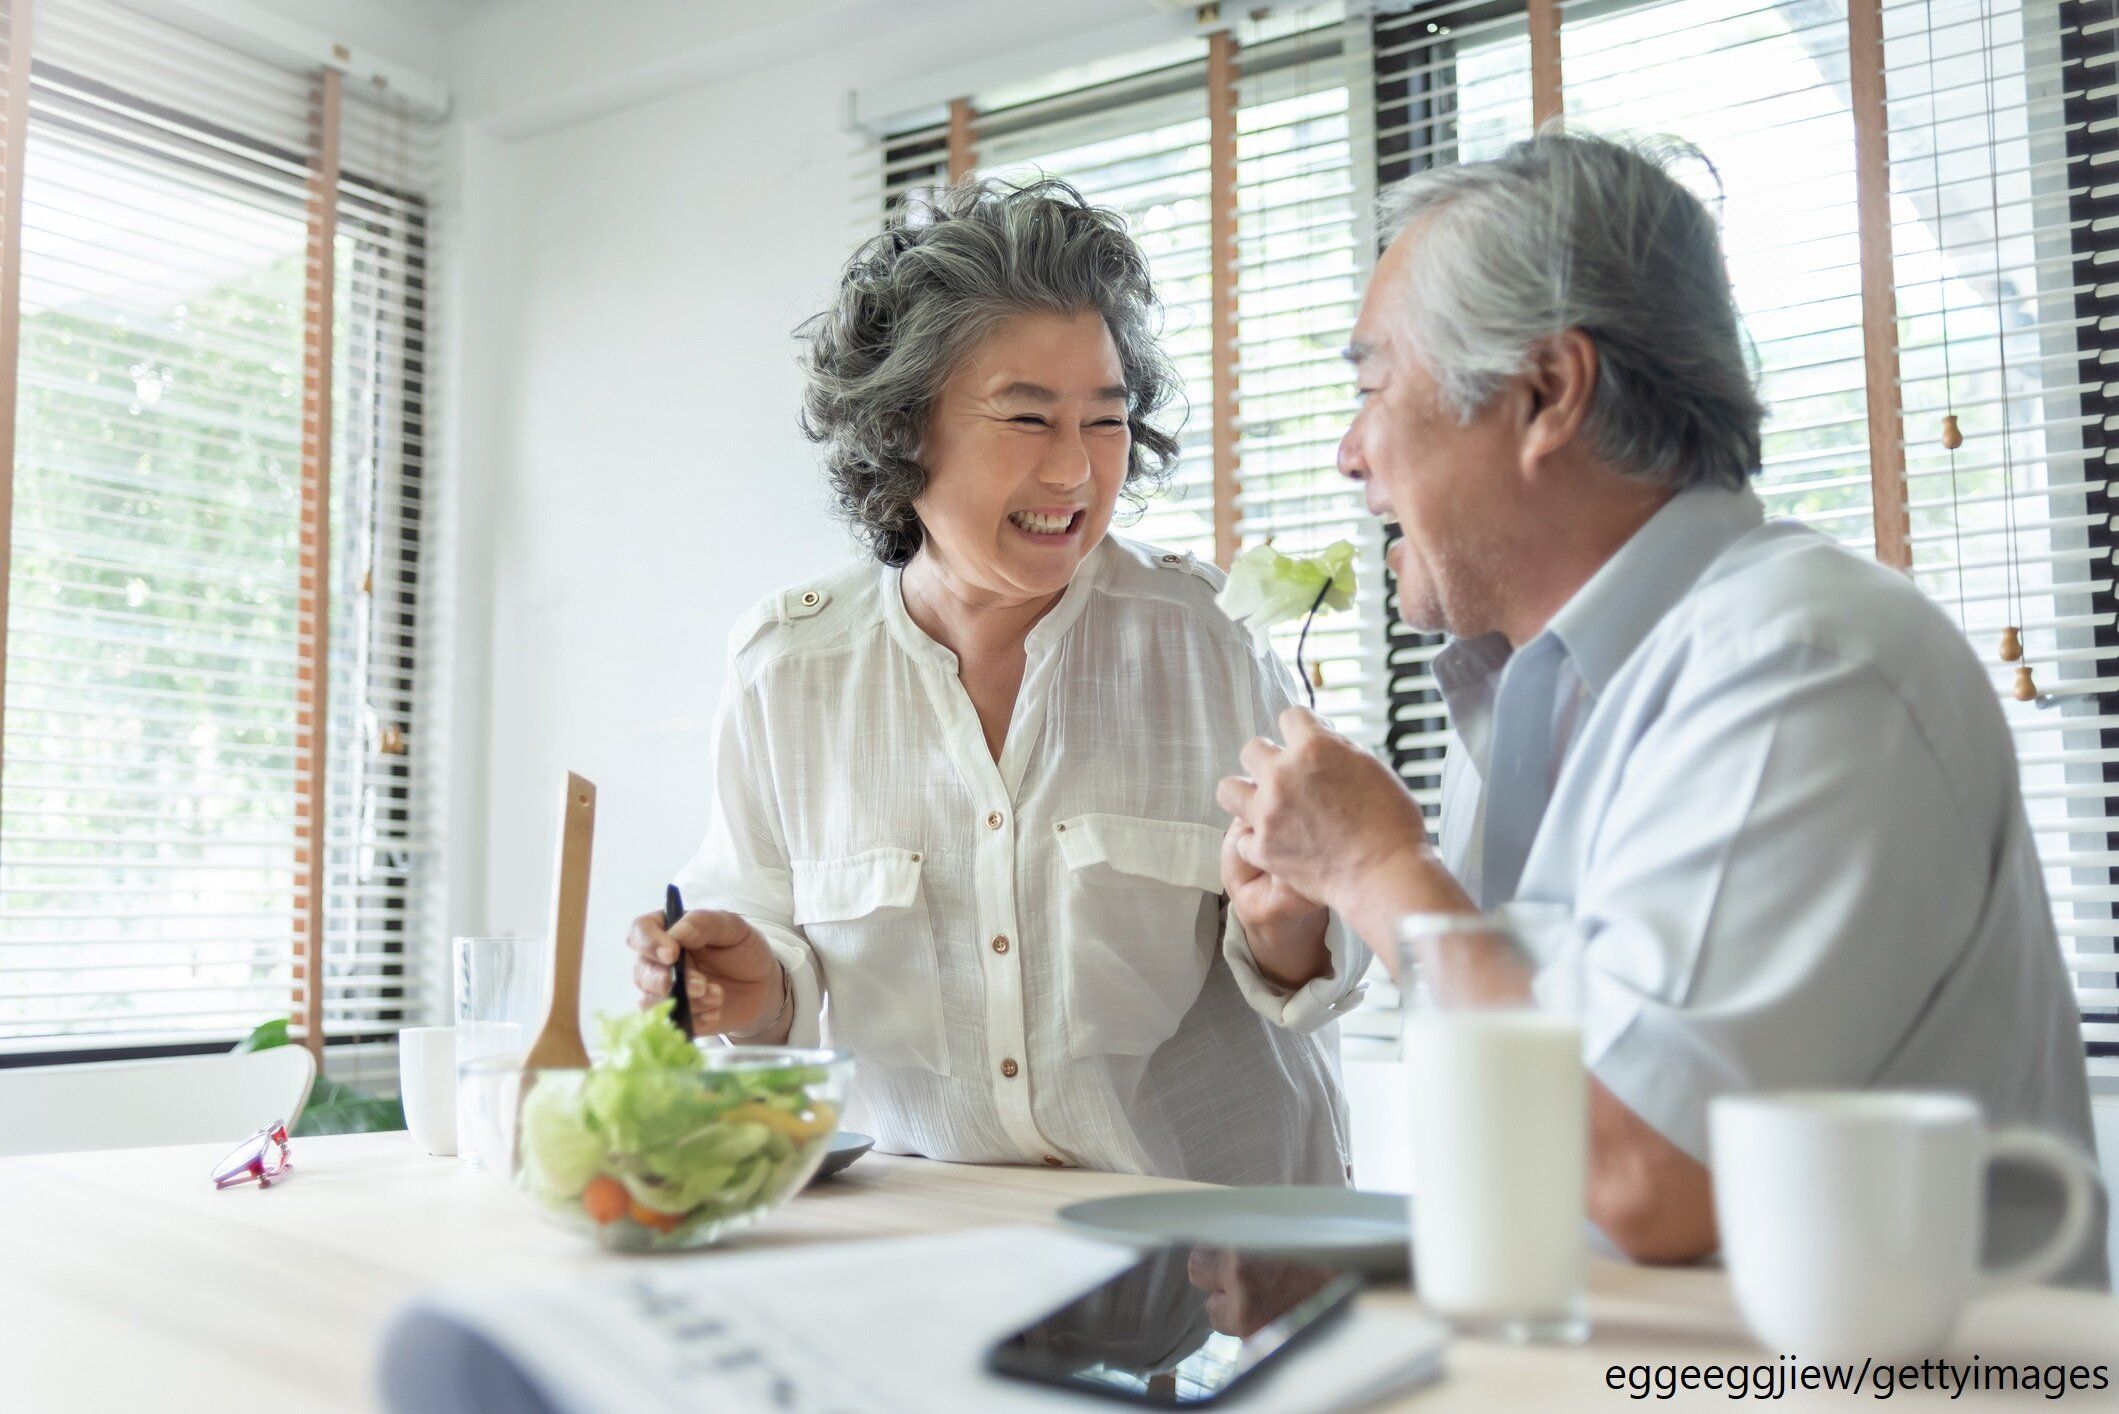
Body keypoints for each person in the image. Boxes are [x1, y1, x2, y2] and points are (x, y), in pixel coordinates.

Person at [1216, 131, 2106, 1284]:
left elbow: (1644, 1175)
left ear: (1545, 393)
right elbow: (1543, 1139)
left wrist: (1381, 871)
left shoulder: (1805, 667)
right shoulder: (1527, 691)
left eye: (1372, 388)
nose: (1348, 456)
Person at [628, 179, 1367, 1186]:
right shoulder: (786, 673)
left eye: (1104, 423)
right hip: (941, 1259)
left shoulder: (1212, 643)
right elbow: (769, 971)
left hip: (1214, 1272)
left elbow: (1326, 955)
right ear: (903, 429)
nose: (1074, 473)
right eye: (1028, 419)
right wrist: (744, 988)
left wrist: (1294, 933)